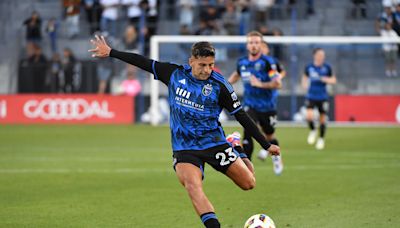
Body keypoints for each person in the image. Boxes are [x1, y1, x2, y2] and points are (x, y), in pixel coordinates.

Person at [89, 35, 280, 228]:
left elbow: (242, 116)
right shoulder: (174, 74)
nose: (207, 70)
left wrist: (266, 144)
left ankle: (235, 145)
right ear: (191, 61)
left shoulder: (220, 86)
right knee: (193, 186)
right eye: (202, 65)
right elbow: (143, 62)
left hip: (214, 142)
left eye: (211, 65)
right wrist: (112, 52)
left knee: (249, 183)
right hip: (184, 147)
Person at [228, 31, 283, 175]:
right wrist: (223, 86)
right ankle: (247, 167)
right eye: (251, 42)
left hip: (267, 106)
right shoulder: (242, 62)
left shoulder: (268, 63)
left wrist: (261, 84)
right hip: (250, 105)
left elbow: (278, 84)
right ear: (247, 45)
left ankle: (277, 158)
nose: (253, 45)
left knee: (269, 136)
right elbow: (235, 75)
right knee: (248, 132)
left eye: (256, 42)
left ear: (261, 44)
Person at [302, 48, 337, 150]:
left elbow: (334, 80)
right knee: (309, 116)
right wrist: (304, 84)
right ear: (315, 55)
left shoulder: (327, 67)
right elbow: (304, 77)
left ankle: (321, 139)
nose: (322, 57)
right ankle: (313, 130)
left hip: (322, 97)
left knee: (322, 119)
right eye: (320, 55)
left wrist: (325, 79)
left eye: (323, 55)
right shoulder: (309, 67)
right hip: (311, 96)